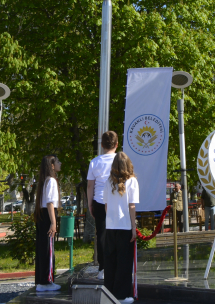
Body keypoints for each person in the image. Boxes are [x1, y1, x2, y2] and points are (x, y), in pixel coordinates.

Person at [104, 152, 139, 304]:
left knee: (110, 261)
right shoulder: (132, 181)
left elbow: (106, 205)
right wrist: (133, 227)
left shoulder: (108, 181)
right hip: (125, 225)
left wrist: (111, 219)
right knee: (124, 262)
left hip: (110, 226)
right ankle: (121, 295)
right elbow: (132, 206)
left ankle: (108, 293)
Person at [86, 130, 118, 280]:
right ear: (116, 144)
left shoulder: (95, 162)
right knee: (117, 233)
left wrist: (90, 203)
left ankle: (103, 268)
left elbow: (90, 185)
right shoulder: (121, 160)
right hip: (117, 201)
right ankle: (117, 265)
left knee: (102, 234)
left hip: (99, 200)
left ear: (102, 145)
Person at [34, 155, 62, 292]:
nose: (60, 163)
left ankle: (41, 281)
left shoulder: (44, 181)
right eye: (57, 161)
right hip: (47, 217)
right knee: (47, 250)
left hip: (42, 216)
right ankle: (46, 282)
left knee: (42, 249)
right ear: (52, 165)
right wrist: (53, 222)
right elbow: (50, 203)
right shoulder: (51, 181)